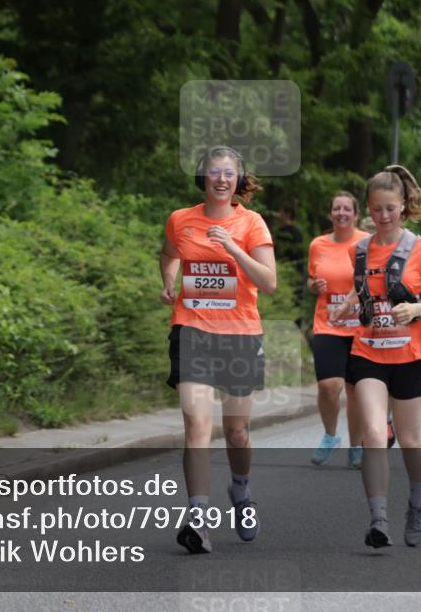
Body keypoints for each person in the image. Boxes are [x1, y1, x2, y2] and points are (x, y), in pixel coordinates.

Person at [329, 165, 421, 549]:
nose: (383, 217)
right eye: (377, 210)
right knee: (372, 434)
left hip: (410, 357)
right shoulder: (361, 249)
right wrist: (345, 307)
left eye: (390, 209)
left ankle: (418, 499)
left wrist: (417, 311)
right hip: (368, 353)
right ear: (368, 209)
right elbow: (364, 289)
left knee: (412, 439)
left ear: (403, 206)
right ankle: (378, 518)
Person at [160, 146, 276, 554]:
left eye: (229, 173)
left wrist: (234, 248)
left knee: (237, 431)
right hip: (192, 330)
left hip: (240, 334)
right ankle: (198, 518)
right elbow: (170, 252)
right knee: (196, 427)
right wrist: (169, 280)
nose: (222, 179)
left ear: (239, 180)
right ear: (203, 177)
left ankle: (240, 492)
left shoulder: (252, 223)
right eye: (214, 172)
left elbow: (269, 280)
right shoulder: (181, 220)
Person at [307, 191, 368, 468]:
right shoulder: (318, 244)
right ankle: (331, 436)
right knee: (328, 386)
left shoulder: (367, 243)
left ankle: (357, 446)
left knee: (355, 391)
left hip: (359, 327)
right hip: (328, 323)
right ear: (330, 214)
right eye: (336, 209)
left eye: (347, 209)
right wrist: (314, 286)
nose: (341, 213)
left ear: (355, 214)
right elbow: (312, 279)